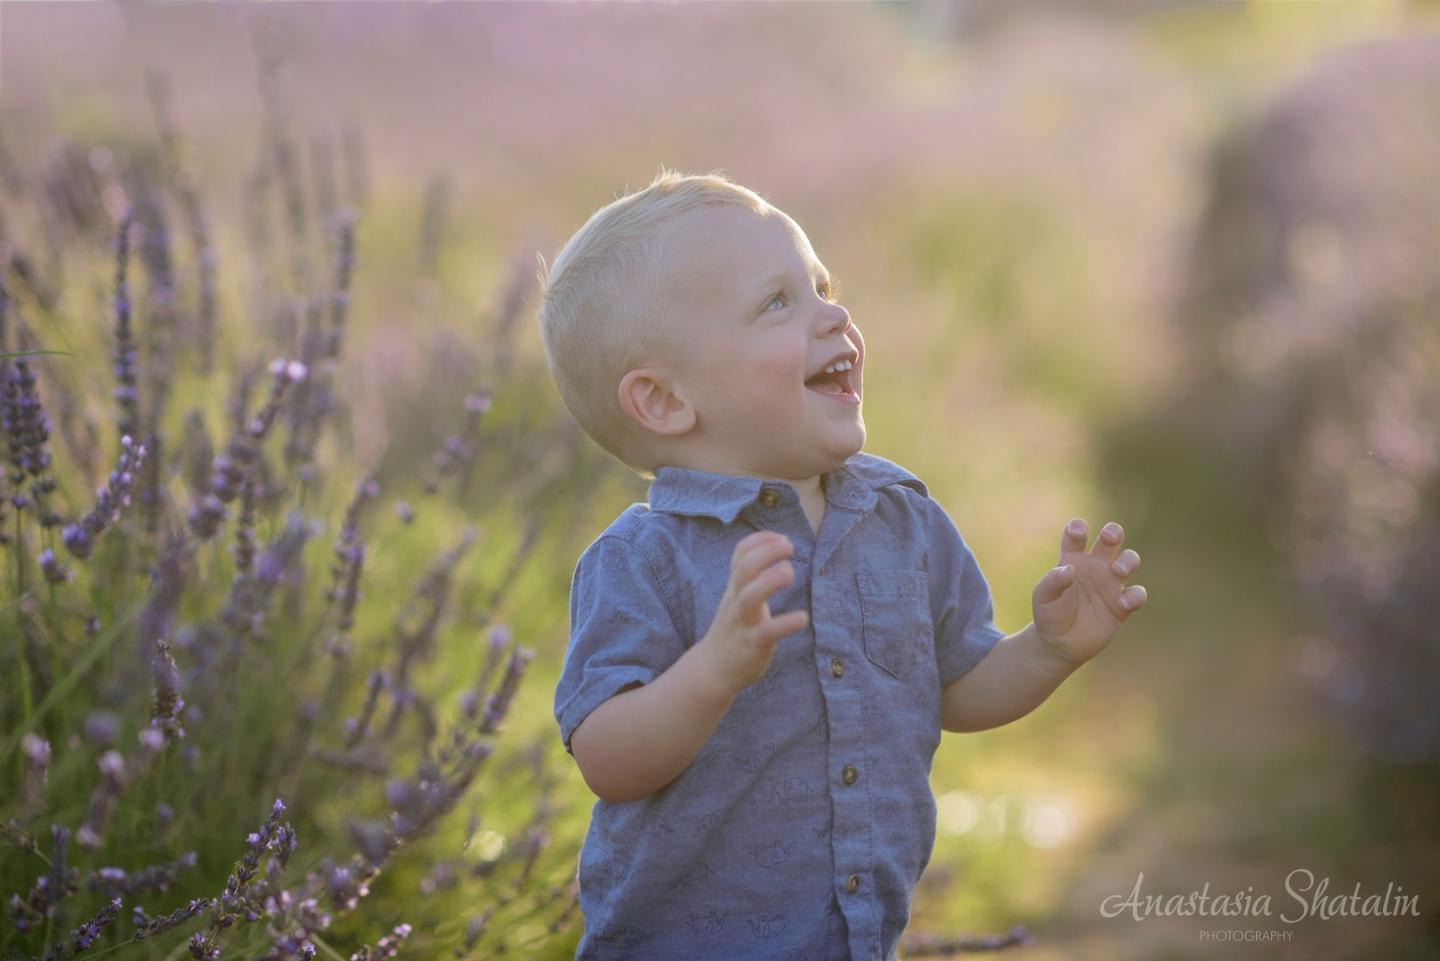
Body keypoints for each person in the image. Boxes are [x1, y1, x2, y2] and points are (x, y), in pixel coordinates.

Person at [538, 167, 1148, 961]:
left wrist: (1047, 649)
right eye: (777, 302)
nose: (835, 315)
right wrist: (711, 672)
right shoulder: (641, 559)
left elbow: (955, 688)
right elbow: (607, 759)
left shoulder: (901, 517)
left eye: (822, 285)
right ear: (664, 402)